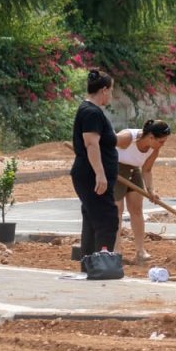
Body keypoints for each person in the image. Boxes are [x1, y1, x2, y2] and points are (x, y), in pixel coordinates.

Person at [71, 69, 119, 261]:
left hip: (88, 174)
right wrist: (100, 173)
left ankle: (90, 264)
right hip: (91, 176)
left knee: (93, 219)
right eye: (112, 91)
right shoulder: (91, 112)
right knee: (107, 219)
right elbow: (91, 144)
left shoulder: (89, 110)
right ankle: (102, 263)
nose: (111, 95)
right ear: (104, 90)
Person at [113, 119, 171, 264]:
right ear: (151, 137)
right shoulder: (127, 138)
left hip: (134, 171)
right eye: (161, 141)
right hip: (115, 171)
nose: (162, 144)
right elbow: (105, 145)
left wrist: (151, 190)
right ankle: (116, 251)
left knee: (137, 210)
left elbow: (147, 169)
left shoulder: (154, 148)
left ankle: (140, 251)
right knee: (117, 210)